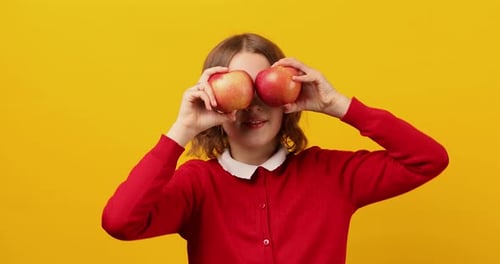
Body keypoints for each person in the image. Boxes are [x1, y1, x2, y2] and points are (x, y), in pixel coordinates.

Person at [101, 33, 449, 264]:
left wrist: (338, 104)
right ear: (213, 102)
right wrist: (182, 130)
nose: (252, 105)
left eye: (264, 90)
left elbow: (428, 160)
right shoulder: (197, 185)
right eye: (238, 91)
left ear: (288, 98)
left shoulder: (331, 176)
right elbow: (120, 222)